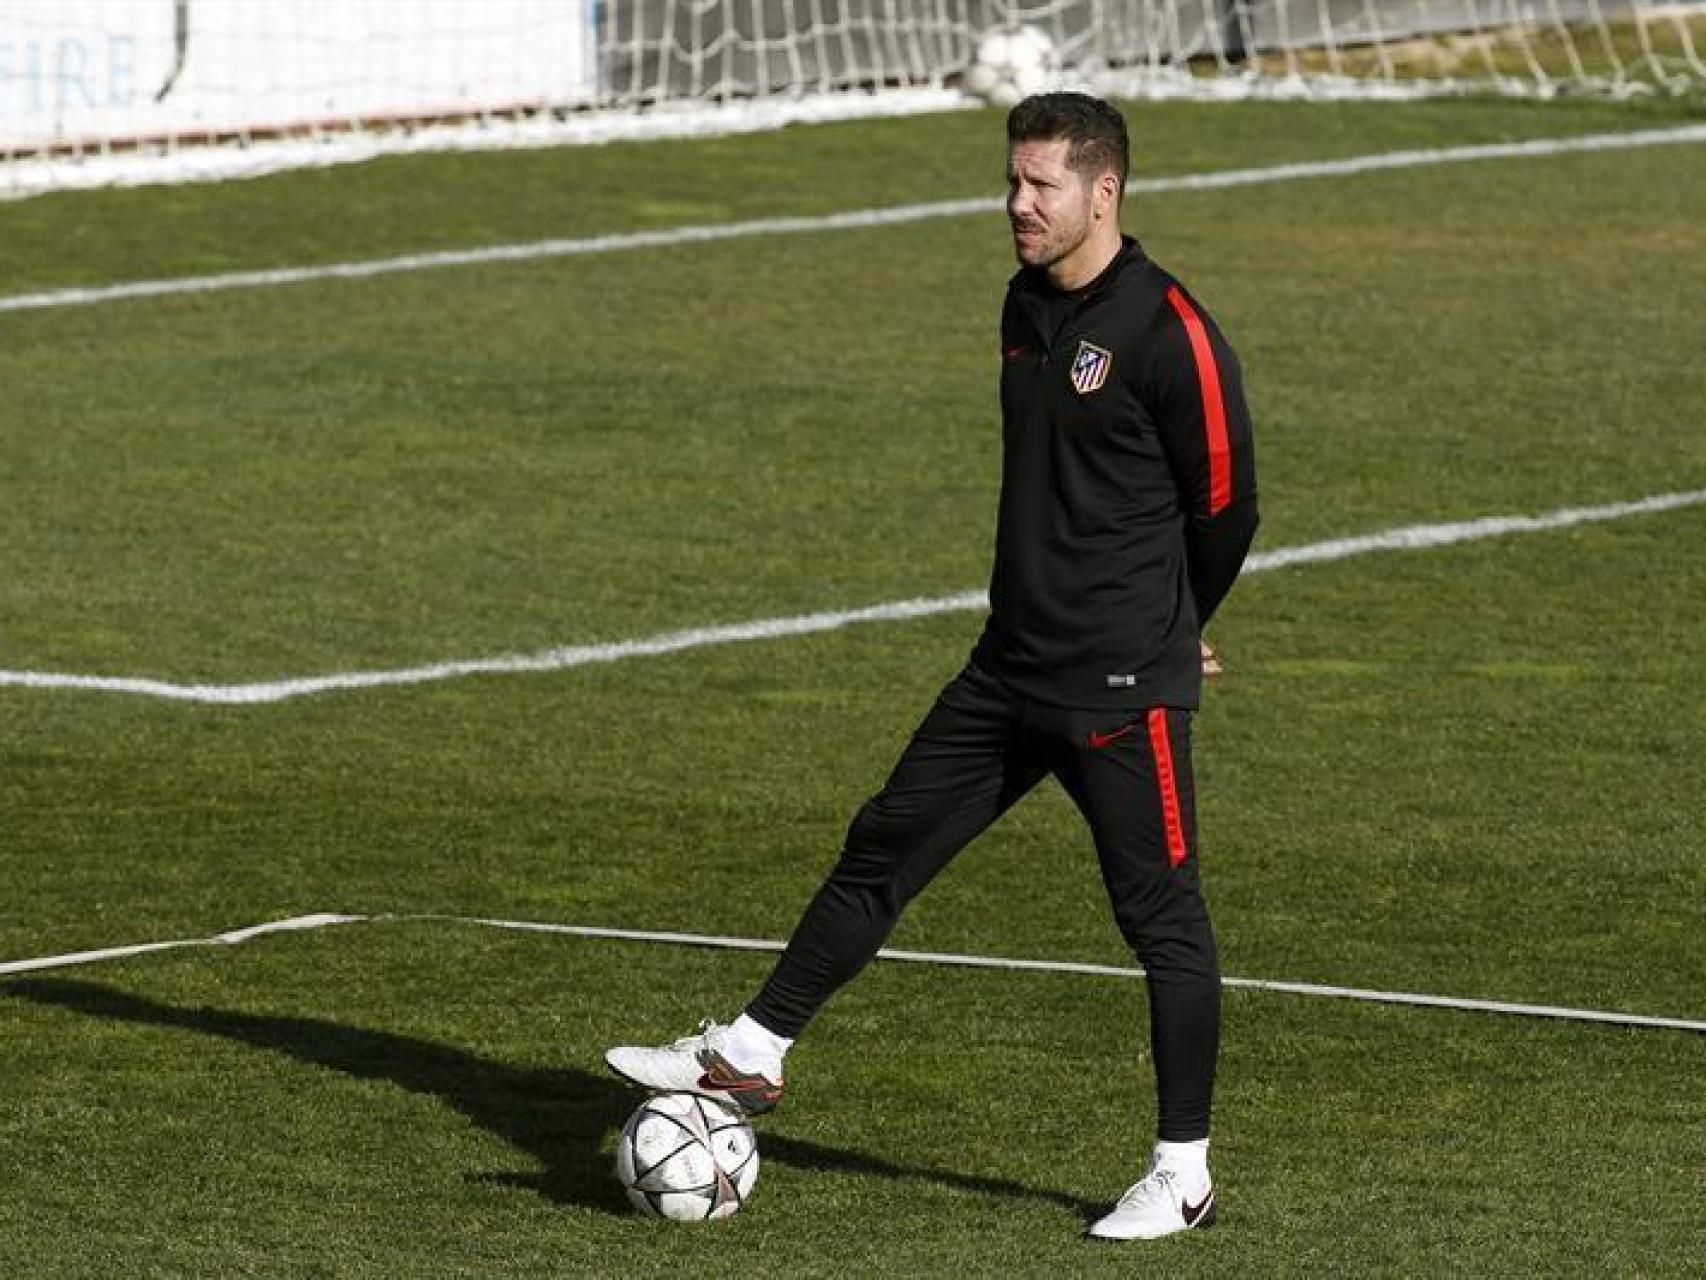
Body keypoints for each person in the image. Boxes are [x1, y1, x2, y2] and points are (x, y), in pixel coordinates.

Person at [607, 91, 1259, 1242]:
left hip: (1117, 695)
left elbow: (1226, 505)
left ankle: (1182, 1173)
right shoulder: (1023, 302)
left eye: (1040, 184)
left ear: (1102, 191)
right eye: (1011, 180)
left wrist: (1170, 624)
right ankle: (752, 1049)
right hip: (1006, 670)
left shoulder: (1170, 332)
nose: (1016, 203)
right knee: (885, 840)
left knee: (1161, 921)